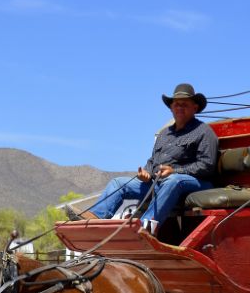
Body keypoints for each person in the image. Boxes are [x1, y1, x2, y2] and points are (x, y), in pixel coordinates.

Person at [77, 83, 218, 234]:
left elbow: (207, 165)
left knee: (174, 180)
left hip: (195, 183)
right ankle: (95, 219)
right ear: (171, 108)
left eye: (185, 104)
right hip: (160, 183)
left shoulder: (204, 132)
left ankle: (147, 226)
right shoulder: (164, 134)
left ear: (194, 108)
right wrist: (146, 174)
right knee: (118, 182)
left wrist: (174, 171)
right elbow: (153, 161)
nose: (179, 107)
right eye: (176, 104)